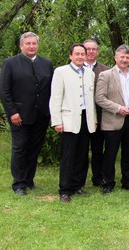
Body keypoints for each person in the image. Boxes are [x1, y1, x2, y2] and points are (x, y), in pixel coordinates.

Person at [0, 32, 54, 196]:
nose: (31, 46)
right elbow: (3, 91)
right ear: (21, 45)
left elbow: (51, 90)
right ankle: (19, 184)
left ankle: (29, 180)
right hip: (19, 116)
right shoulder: (10, 63)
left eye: (34, 43)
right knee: (20, 148)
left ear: (38, 45)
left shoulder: (46, 64)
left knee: (34, 149)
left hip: (41, 115)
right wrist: (12, 112)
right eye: (28, 43)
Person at [95, 44, 129, 194]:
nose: (124, 60)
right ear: (115, 58)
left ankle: (127, 181)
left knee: (128, 153)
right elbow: (99, 98)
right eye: (122, 57)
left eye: (127, 57)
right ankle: (108, 182)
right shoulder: (106, 75)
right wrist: (118, 108)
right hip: (113, 121)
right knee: (110, 154)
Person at [49, 44, 97, 202]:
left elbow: (91, 99)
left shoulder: (90, 73)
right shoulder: (61, 72)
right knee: (68, 155)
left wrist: (94, 119)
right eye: (77, 54)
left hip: (86, 118)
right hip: (69, 119)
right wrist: (57, 121)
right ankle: (65, 189)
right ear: (70, 56)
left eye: (82, 54)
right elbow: (55, 98)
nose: (80, 57)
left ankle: (78, 185)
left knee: (82, 155)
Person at [82, 39, 109, 188]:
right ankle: (79, 178)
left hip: (100, 116)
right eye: (88, 49)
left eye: (94, 49)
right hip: (82, 116)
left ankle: (98, 177)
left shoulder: (105, 70)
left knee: (98, 149)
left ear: (97, 51)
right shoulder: (77, 68)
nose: (91, 51)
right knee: (82, 149)